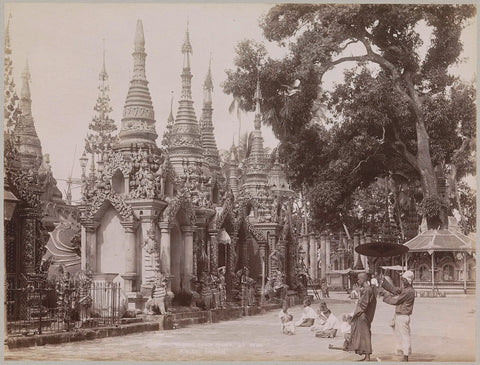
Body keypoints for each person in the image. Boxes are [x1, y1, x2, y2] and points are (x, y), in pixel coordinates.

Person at [381, 270, 415, 362]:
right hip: (401, 316)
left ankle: (406, 356)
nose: (402, 281)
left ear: (408, 281)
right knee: (400, 334)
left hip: (403, 316)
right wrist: (384, 283)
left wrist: (386, 297)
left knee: (405, 336)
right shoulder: (407, 290)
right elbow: (395, 290)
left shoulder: (408, 291)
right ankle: (404, 351)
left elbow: (396, 301)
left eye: (404, 280)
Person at [348, 272, 377, 361]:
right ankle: (365, 355)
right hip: (363, 315)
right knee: (363, 336)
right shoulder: (366, 289)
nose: (358, 281)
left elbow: (363, 304)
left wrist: (355, 313)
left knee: (365, 335)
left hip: (363, 315)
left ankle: (367, 356)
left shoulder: (367, 290)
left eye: (359, 279)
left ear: (363, 279)